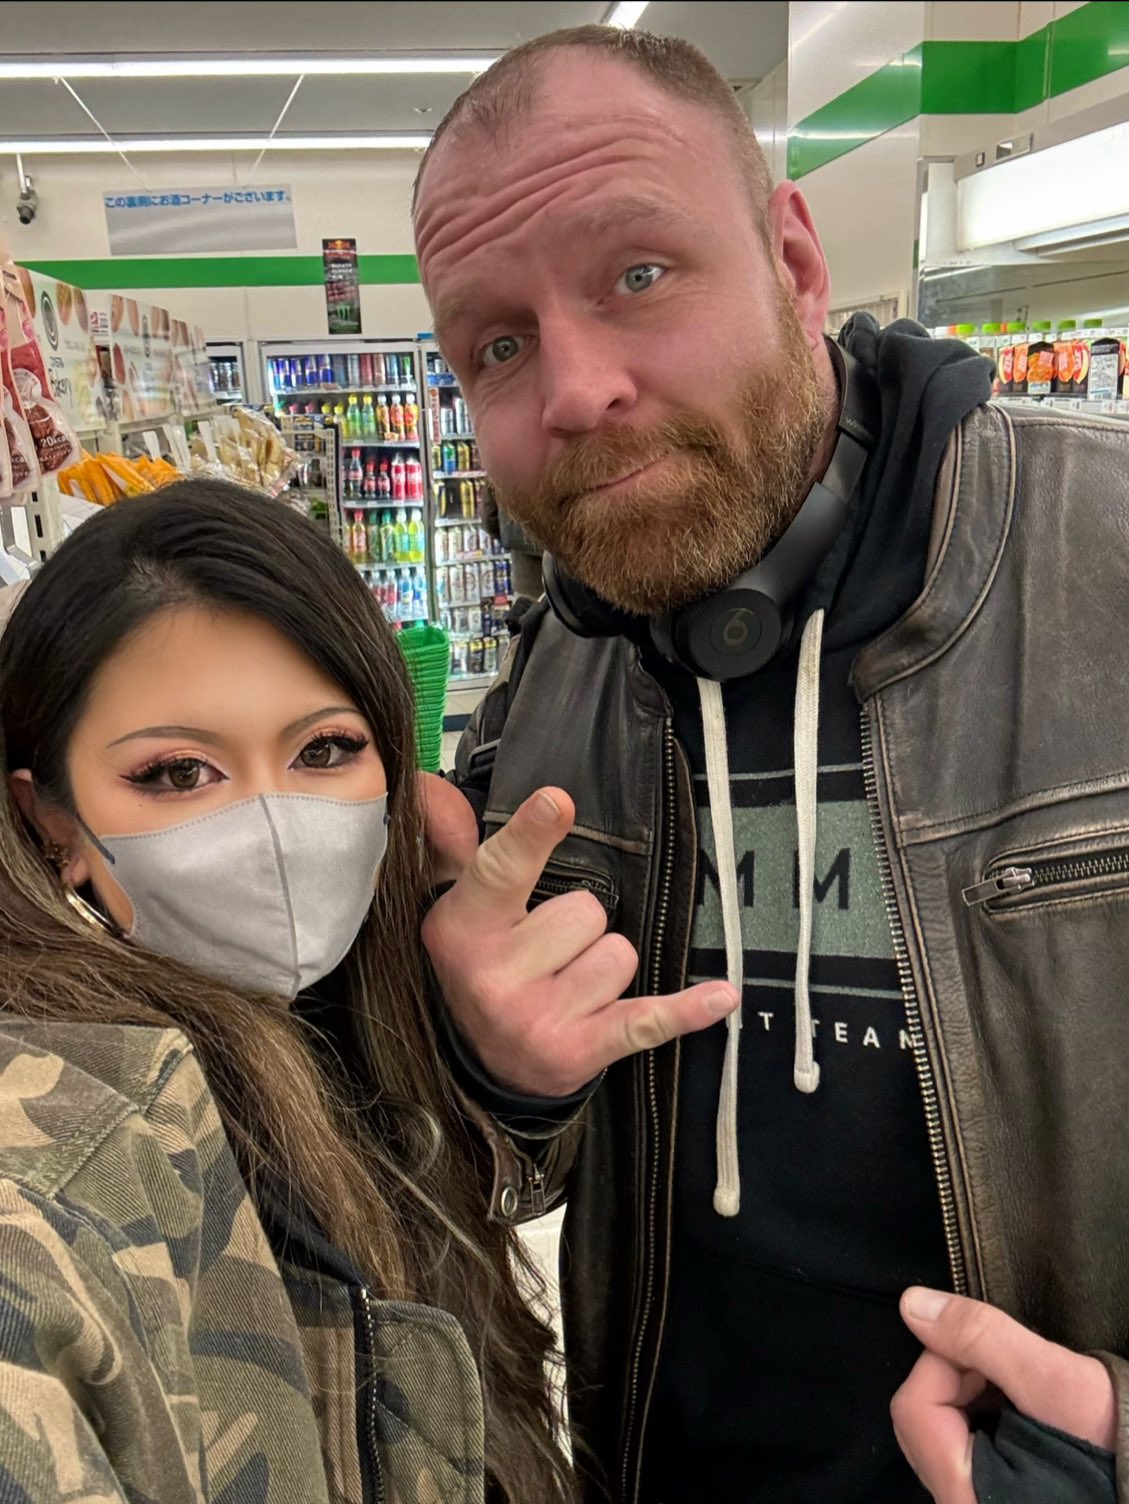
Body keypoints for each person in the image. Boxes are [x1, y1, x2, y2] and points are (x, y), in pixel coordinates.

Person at [412, 24, 1129, 1504]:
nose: (574, 390)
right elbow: (520, 1176)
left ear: (795, 263)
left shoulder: (1102, 569)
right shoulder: (557, 682)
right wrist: (496, 1081)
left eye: (639, 273)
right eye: (498, 345)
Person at [0, 479, 573, 1504]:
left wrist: (502, 1084)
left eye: (324, 749)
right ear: (53, 822)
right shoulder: (58, 1162)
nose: (272, 827)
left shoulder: (364, 1037)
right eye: (177, 772)